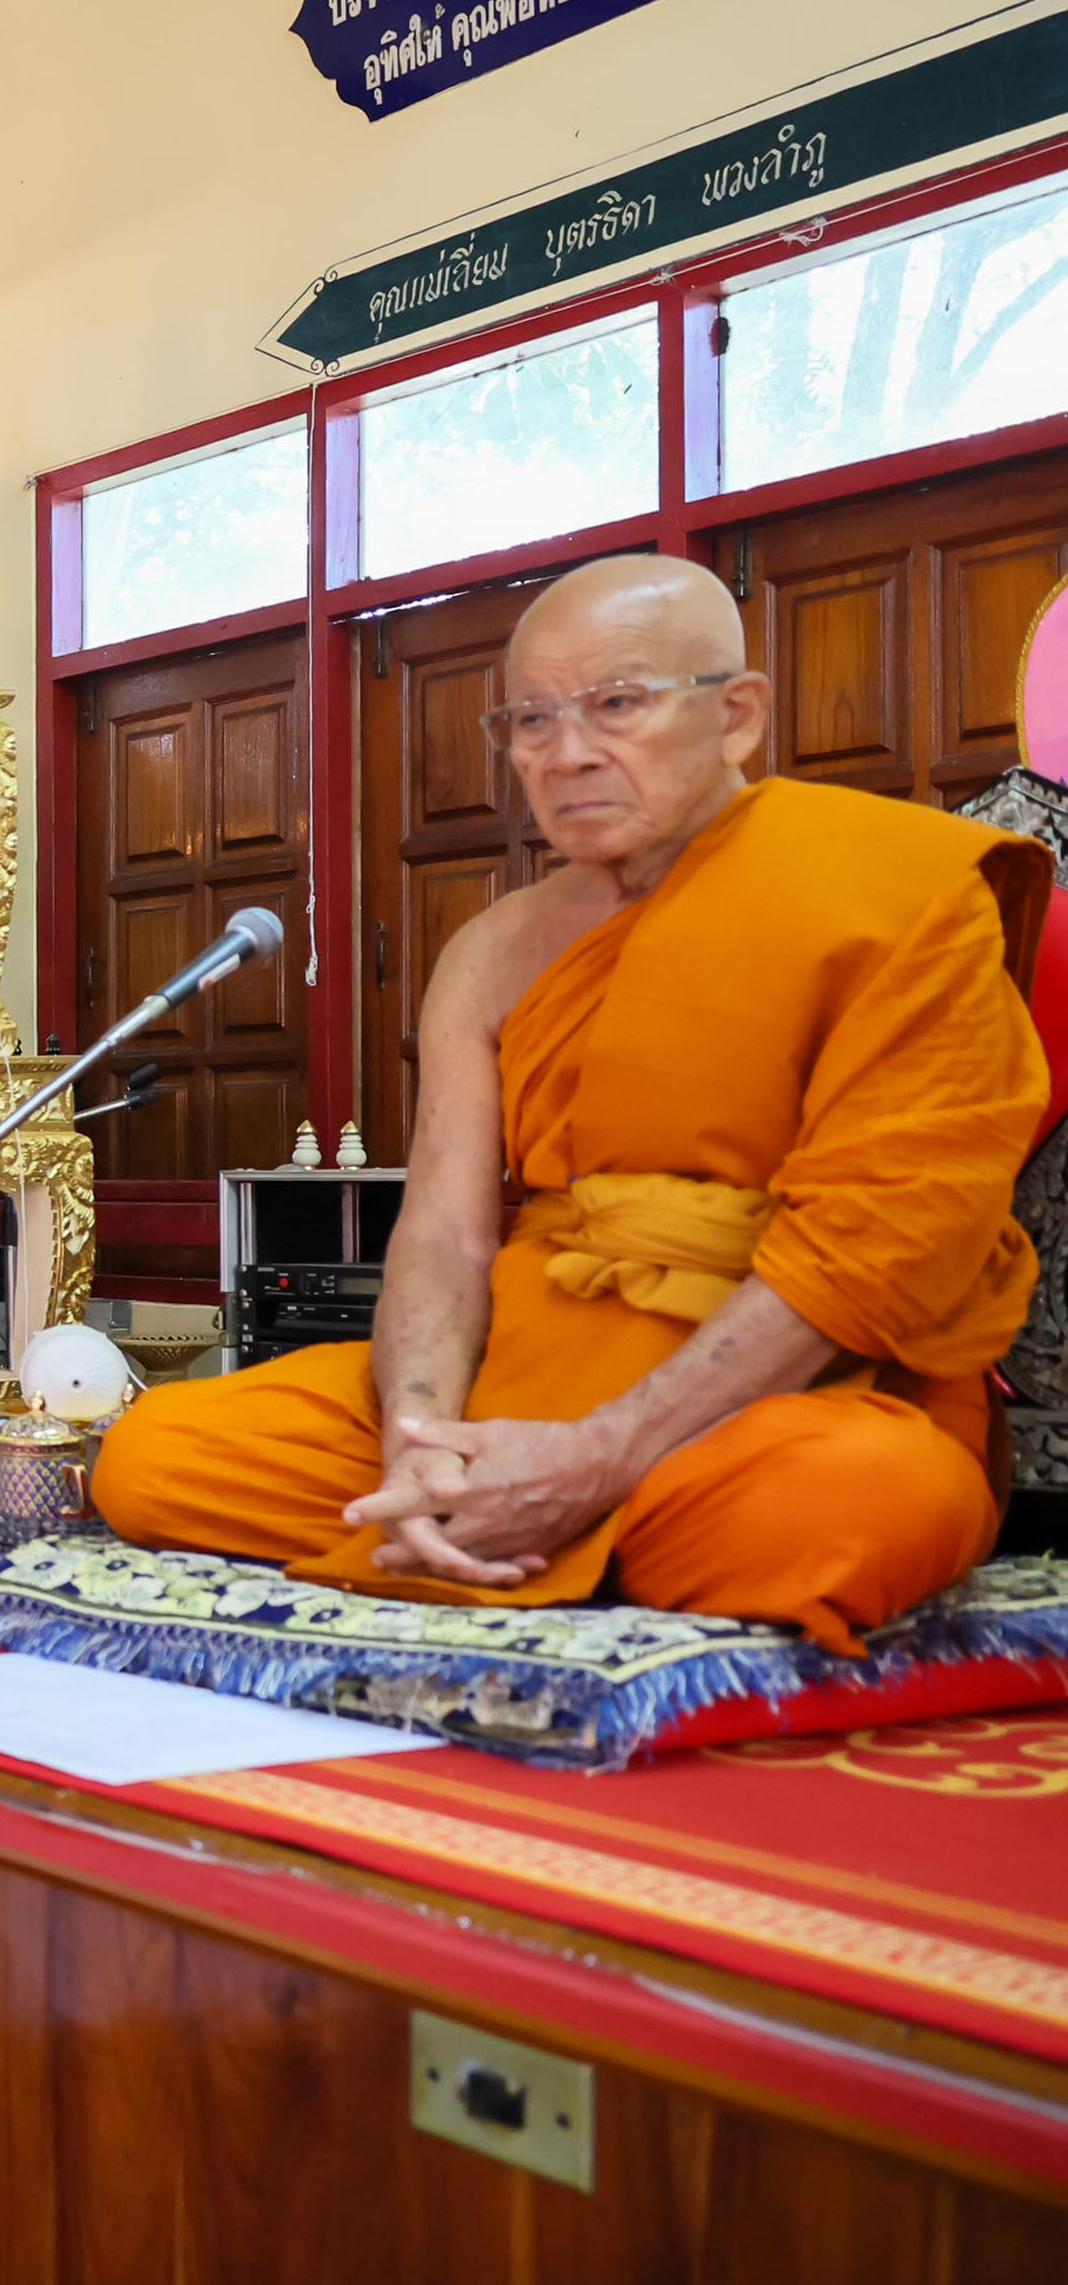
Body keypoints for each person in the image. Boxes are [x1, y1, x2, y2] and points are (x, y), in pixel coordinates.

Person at [93, 555, 1046, 1647]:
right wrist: (419, 1440)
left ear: (737, 716)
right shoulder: (495, 951)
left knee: (855, 1507)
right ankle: (492, 1516)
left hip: (790, 1394)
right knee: (155, 1457)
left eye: (620, 703)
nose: (569, 752)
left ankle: (531, 1521)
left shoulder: (899, 895)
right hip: (522, 1365)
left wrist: (601, 1454)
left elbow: (879, 1249)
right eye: (531, 720)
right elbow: (444, 1236)